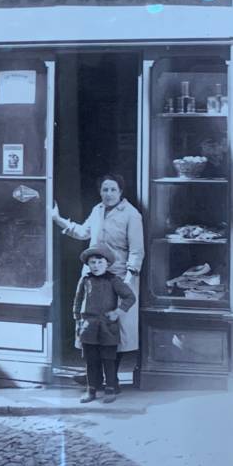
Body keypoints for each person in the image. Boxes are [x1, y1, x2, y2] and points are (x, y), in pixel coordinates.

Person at [50, 173, 145, 384]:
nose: (108, 194)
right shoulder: (97, 210)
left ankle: (111, 378)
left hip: (118, 277)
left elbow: (137, 251)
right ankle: (94, 375)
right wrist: (57, 219)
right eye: (104, 189)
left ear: (121, 192)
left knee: (115, 328)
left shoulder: (131, 215)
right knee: (92, 325)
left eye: (113, 190)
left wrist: (129, 279)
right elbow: (83, 233)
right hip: (93, 277)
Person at [71, 246, 136, 403]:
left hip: (108, 327)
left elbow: (130, 297)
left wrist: (117, 312)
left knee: (109, 359)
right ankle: (91, 390)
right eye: (92, 262)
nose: (96, 266)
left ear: (107, 264)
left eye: (100, 262)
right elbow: (78, 301)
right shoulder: (85, 280)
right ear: (88, 264)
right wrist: (78, 320)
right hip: (88, 327)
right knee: (91, 360)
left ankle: (111, 389)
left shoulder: (114, 280)